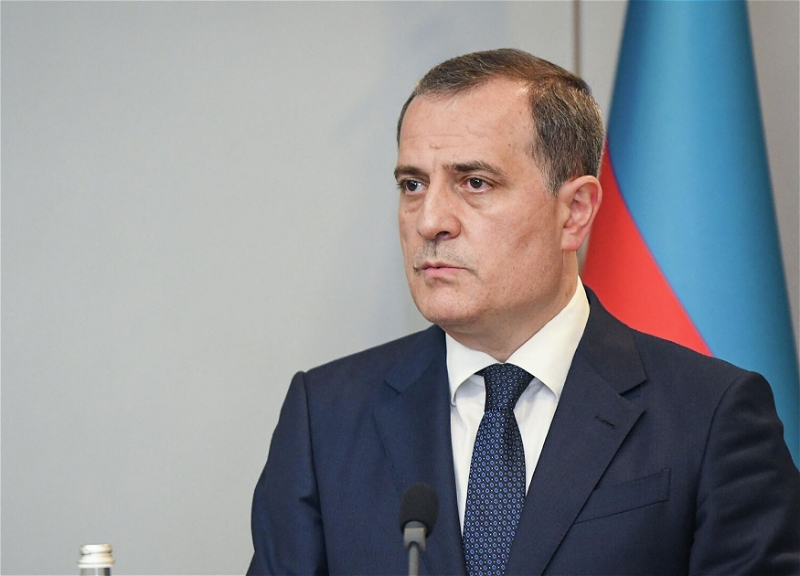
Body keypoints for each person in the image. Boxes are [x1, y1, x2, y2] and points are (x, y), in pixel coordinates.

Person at [247, 49, 800, 576]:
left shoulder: (710, 416)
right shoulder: (324, 418)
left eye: (475, 183)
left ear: (574, 212)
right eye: (412, 184)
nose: (429, 220)